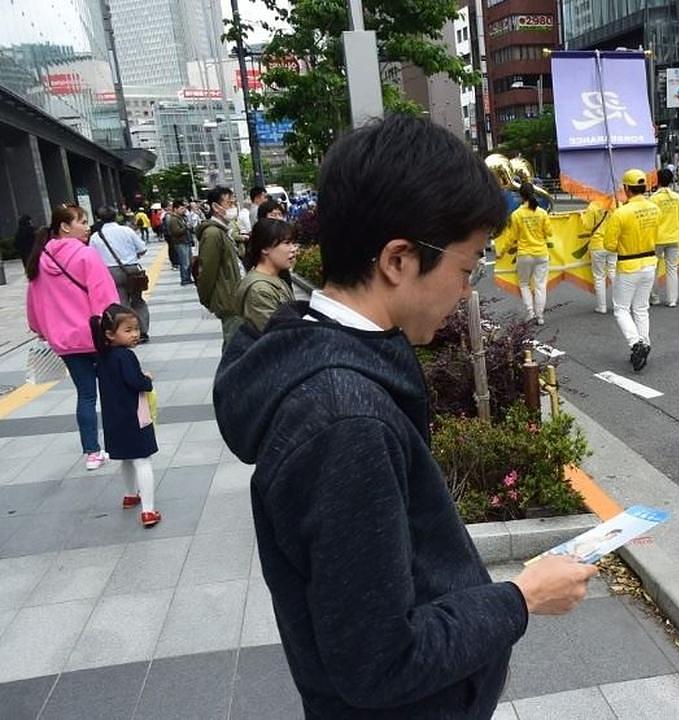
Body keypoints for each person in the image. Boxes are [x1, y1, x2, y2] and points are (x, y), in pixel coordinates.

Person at [212, 115, 597, 720]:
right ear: (398, 259)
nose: (467, 292)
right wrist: (522, 598)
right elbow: (379, 662)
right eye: (466, 269)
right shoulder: (347, 423)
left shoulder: (325, 354)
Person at [26, 204, 119, 470]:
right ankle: (116, 444)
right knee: (111, 391)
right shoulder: (86, 255)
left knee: (86, 395)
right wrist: (111, 329)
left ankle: (92, 451)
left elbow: (33, 301)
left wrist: (41, 329)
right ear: (65, 227)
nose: (87, 226)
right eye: (82, 221)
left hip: (64, 341)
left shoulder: (40, 259)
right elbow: (104, 297)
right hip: (95, 336)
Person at [90, 304, 161, 527]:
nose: (135, 335)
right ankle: (148, 511)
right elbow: (135, 382)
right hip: (134, 418)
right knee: (142, 460)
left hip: (114, 419)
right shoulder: (125, 356)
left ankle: (130, 495)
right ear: (110, 334)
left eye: (136, 329)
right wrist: (147, 378)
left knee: (127, 459)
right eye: (128, 330)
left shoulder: (102, 357)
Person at [602, 168, 660, 372]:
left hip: (628, 265)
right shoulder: (654, 208)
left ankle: (636, 344)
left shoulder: (621, 213)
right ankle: (645, 343)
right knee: (641, 308)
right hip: (650, 263)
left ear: (626, 188)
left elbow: (609, 245)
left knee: (621, 309)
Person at [90, 206, 151, 342]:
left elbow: (92, 257)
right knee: (138, 301)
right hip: (132, 270)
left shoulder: (95, 237)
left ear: (99, 219)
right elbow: (142, 248)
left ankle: (126, 333)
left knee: (122, 303)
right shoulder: (126, 231)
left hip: (110, 272)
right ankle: (142, 331)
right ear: (116, 216)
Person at [196, 186, 245, 347]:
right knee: (234, 347)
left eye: (233, 202)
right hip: (229, 300)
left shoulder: (222, 231)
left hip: (234, 297)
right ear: (215, 207)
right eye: (229, 203)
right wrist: (207, 300)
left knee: (235, 345)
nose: (233, 207)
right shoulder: (212, 234)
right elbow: (207, 272)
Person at [235, 219, 297, 331]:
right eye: (287, 243)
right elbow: (278, 335)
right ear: (264, 248)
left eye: (293, 243)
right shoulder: (259, 290)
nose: (293, 249)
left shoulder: (275, 279)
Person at [507, 182, 553, 324]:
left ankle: (530, 312)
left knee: (524, 284)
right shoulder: (542, 213)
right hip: (541, 253)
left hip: (525, 254)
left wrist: (502, 251)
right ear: (534, 193)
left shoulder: (516, 214)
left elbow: (512, 237)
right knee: (540, 285)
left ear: (521, 196)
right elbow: (549, 232)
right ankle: (540, 316)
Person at [649, 168, 679, 308]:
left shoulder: (654, 198)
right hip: (673, 237)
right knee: (672, 269)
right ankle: (672, 299)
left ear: (657, 180)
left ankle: (654, 297)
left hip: (657, 238)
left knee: (654, 268)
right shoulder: (676, 197)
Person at [583, 201, 615, 314]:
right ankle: (619, 303)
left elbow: (587, 226)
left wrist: (583, 217)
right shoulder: (616, 203)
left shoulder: (593, 206)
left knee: (599, 276)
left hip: (597, 245)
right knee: (613, 272)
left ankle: (602, 307)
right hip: (612, 243)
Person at [167, 200, 194, 286]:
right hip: (180, 242)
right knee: (184, 262)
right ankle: (184, 279)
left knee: (188, 261)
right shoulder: (174, 219)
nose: (183, 210)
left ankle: (188, 278)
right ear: (175, 209)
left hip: (186, 241)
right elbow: (176, 231)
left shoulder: (181, 217)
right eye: (181, 208)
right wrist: (186, 227)